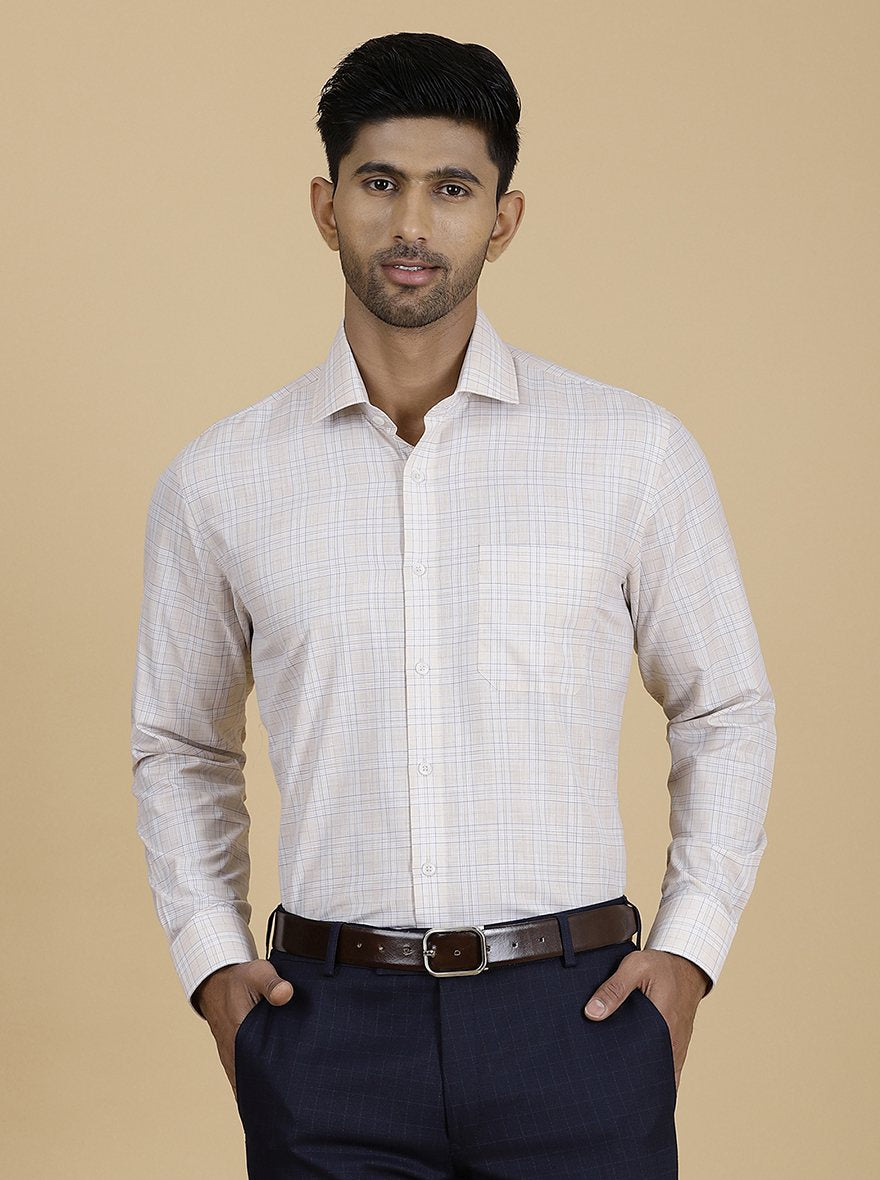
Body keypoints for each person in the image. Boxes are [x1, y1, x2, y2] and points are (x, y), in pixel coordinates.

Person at [131, 31, 776, 1179]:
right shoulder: (221, 480)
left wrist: (688, 952)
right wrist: (214, 966)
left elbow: (724, 707)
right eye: (380, 183)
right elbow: (181, 743)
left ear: (503, 218)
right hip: (327, 1030)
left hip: (573, 1021)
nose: (412, 224)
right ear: (326, 206)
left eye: (452, 189)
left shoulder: (629, 454)